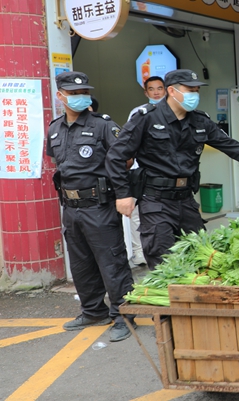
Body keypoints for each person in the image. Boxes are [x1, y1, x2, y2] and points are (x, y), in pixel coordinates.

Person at [105, 69, 239, 269]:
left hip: (186, 200)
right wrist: (122, 194)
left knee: (200, 257)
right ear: (172, 91)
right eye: (190, 90)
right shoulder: (146, 118)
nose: (195, 95)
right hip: (156, 201)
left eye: (196, 90)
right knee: (164, 262)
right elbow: (116, 156)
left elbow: (230, 145)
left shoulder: (200, 121)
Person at [47, 72, 135, 342]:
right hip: (71, 207)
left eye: (83, 92)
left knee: (112, 262)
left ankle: (123, 315)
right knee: (81, 263)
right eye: (73, 94)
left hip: (99, 205)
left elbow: (126, 159)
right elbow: (57, 164)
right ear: (60, 96)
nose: (79, 97)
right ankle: (93, 310)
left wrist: (122, 194)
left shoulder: (103, 125)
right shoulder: (54, 128)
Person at [124, 76, 167, 266]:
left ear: (167, 90)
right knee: (136, 214)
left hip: (164, 174)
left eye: (160, 88)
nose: (156, 92)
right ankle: (139, 252)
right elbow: (129, 143)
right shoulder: (138, 113)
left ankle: (162, 251)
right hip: (139, 172)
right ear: (146, 92)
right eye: (152, 89)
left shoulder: (172, 111)